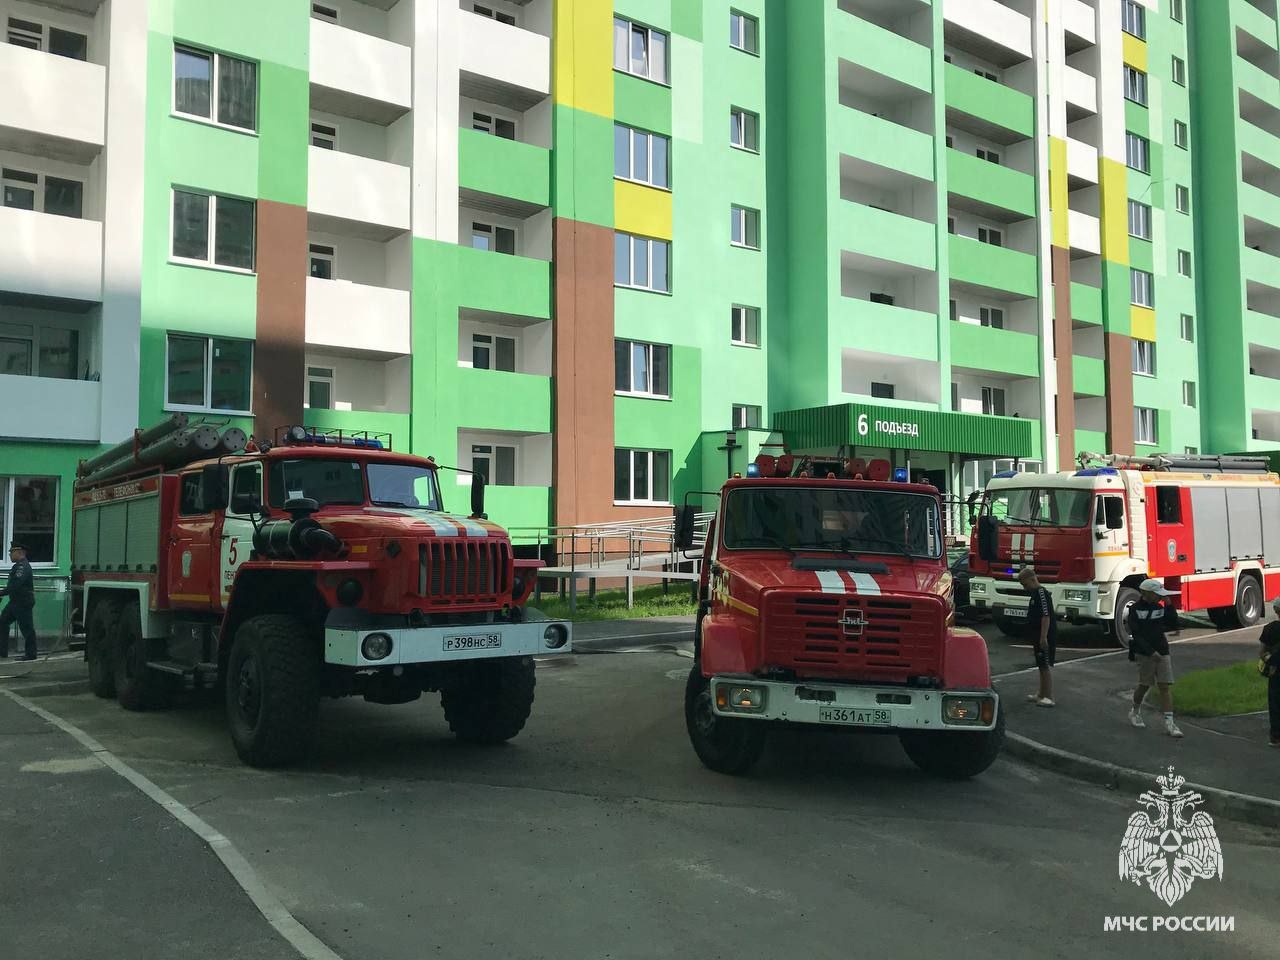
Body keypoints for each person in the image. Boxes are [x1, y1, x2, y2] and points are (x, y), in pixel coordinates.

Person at [1127, 578, 1182, 738]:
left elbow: (1172, 623)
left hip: (1162, 651)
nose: (1160, 597)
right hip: (1145, 653)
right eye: (1157, 594)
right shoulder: (1135, 610)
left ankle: (1169, 723)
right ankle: (1135, 711)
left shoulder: (1159, 607)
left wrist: (1169, 605)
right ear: (1146, 593)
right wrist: (1150, 652)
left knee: (1165, 686)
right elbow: (1136, 634)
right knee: (1145, 685)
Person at [1018, 566, 1055, 707]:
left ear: (1033, 579)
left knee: (1044, 665)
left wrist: (1043, 637)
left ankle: (1049, 696)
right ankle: (1041, 693)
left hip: (1043, 634)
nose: (1024, 588)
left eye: (1025, 584)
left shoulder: (1041, 593)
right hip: (1037, 634)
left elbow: (1046, 616)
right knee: (1040, 664)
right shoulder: (1034, 594)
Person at [1, 541, 38, 662]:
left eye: (12, 552)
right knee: (2, 622)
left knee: (27, 628)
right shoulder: (18, 566)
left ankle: (31, 654)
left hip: (23, 602)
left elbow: (16, 584)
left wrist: (2, 593)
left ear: (19, 552)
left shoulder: (22, 566)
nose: (10, 555)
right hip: (15, 602)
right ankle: (2, 651)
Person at [1260, 598, 1280, 748]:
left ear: (1275, 610)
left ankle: (1275, 737)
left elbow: (1262, 652)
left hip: (1275, 672)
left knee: (1275, 703)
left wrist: (1271, 661)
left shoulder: (1269, 629)